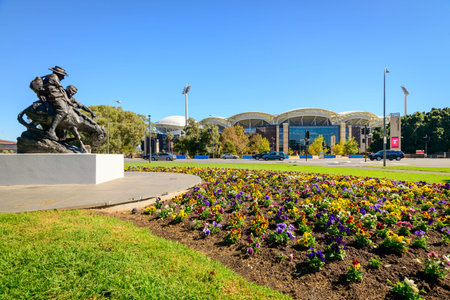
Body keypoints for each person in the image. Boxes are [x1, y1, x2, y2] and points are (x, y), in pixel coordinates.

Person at [41, 66, 70, 140]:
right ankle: (51, 130)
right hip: (54, 97)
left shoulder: (48, 77)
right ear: (58, 74)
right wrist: (68, 100)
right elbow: (62, 90)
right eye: (62, 75)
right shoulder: (54, 77)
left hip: (54, 96)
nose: (63, 77)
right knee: (64, 111)